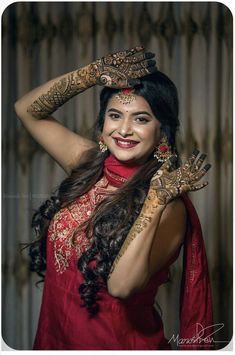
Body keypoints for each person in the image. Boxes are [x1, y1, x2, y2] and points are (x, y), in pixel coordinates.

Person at [15, 46, 214, 350]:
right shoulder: (89, 163)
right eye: (115, 115)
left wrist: (155, 201)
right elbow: (26, 110)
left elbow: (121, 287)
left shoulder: (169, 206)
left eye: (141, 119)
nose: (124, 129)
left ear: (163, 131)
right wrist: (91, 74)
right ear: (103, 123)